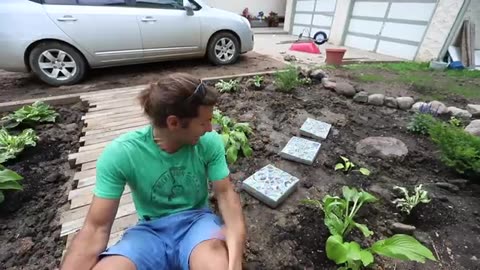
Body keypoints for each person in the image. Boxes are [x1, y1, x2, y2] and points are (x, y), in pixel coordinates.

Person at [61, 73, 246, 270]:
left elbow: (225, 194)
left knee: (215, 261)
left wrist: (234, 260)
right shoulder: (122, 153)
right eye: (203, 122)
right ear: (173, 123)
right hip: (150, 232)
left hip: (197, 223)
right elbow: (96, 228)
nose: (210, 128)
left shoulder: (209, 142)